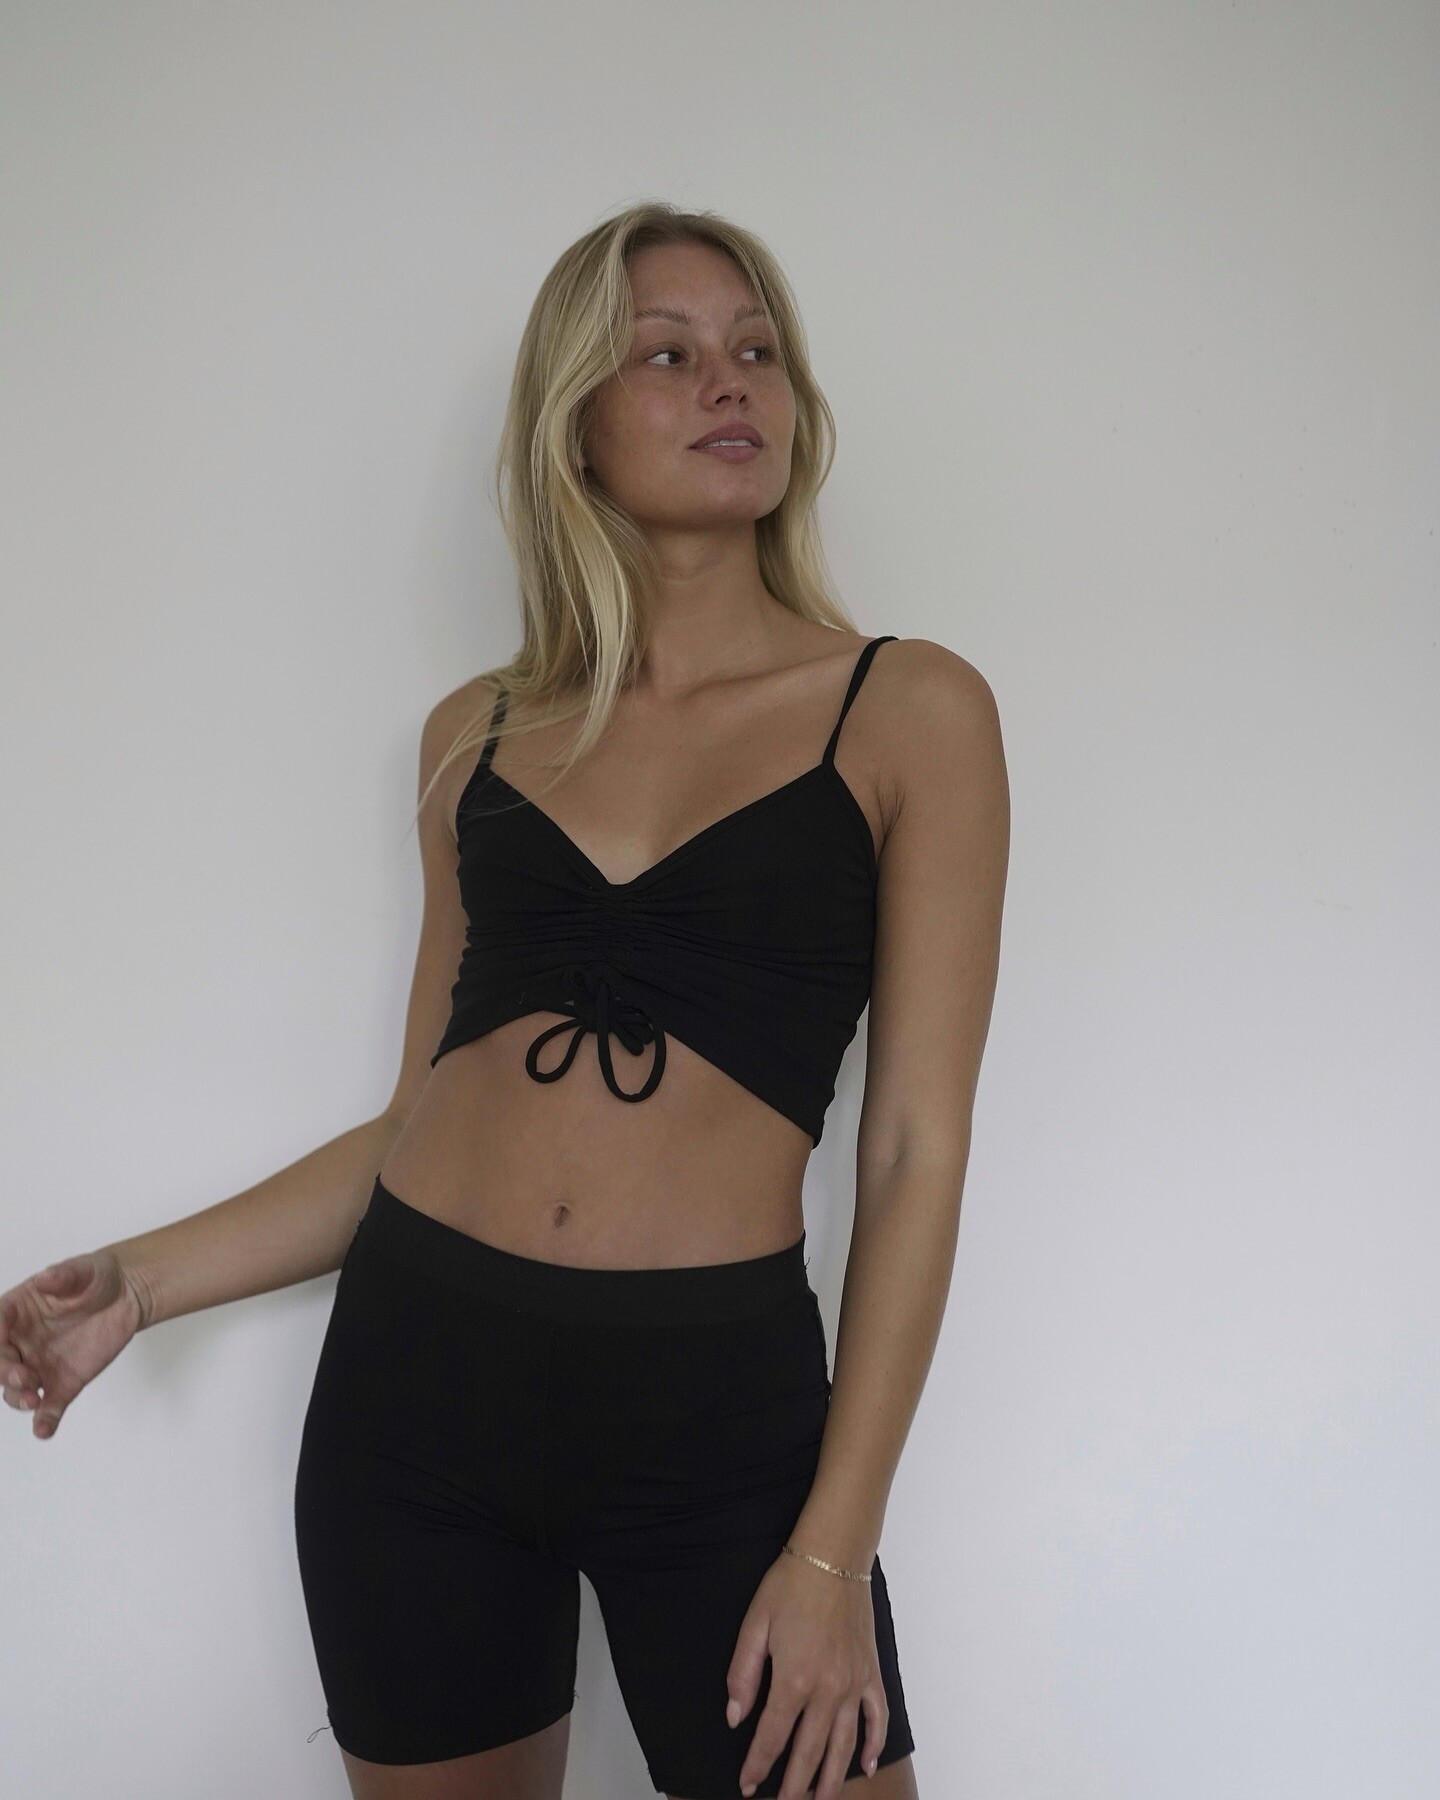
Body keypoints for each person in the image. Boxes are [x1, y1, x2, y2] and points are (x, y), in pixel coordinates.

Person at [1, 201, 1009, 1800]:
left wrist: (834, 1553)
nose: (728, 382)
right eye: (666, 354)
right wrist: (142, 1280)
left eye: (757, 351)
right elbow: (421, 1120)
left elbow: (910, 1155)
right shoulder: (475, 732)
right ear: (574, 427)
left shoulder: (911, 709)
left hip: (718, 1423)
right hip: (417, 1401)